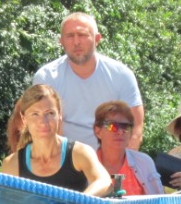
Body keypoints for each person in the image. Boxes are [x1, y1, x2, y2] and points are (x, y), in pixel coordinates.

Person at [33, 12, 144, 150]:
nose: (76, 42)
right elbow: (42, 128)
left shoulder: (121, 75)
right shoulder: (47, 77)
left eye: (82, 35)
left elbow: (135, 129)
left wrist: (121, 166)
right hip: (62, 158)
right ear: (61, 41)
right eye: (70, 36)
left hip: (110, 160)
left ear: (97, 39)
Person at [0, 84, 111, 196]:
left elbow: (104, 182)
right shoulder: (12, 164)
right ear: (24, 119)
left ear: (60, 115)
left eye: (50, 113)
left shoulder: (79, 153)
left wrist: (79, 202)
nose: (43, 121)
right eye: (35, 114)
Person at [92, 101, 162, 195]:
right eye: (113, 126)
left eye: (125, 127)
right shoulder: (85, 163)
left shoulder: (144, 162)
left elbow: (159, 203)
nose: (120, 132)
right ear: (98, 132)